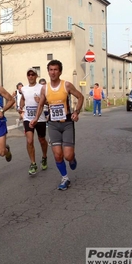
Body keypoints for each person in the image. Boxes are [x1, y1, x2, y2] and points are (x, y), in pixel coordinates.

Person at [30, 60, 84, 191]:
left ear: (60, 71)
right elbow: (41, 104)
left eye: (55, 70)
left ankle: (72, 159)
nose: (53, 72)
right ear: (48, 71)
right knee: (57, 155)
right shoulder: (45, 88)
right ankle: (65, 178)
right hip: (53, 125)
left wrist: (76, 112)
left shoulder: (67, 85)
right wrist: (36, 118)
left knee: (68, 155)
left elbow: (80, 97)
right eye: (51, 70)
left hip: (66, 124)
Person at [20, 68, 48, 175]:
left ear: (36, 76)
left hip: (40, 119)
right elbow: (23, 98)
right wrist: (21, 105)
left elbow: (49, 101)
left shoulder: (42, 87)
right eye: (29, 75)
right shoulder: (24, 89)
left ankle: (44, 156)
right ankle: (33, 163)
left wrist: (42, 101)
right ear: (27, 76)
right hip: (28, 118)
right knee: (29, 141)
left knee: (41, 140)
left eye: (33, 74)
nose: (30, 76)